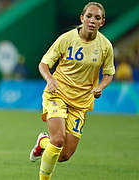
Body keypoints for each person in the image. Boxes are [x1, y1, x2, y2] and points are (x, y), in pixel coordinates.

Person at [29, 2, 115, 180]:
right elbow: (44, 64)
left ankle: (42, 143)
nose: (92, 20)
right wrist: (50, 79)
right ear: (82, 18)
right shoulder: (67, 39)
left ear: (102, 22)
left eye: (97, 18)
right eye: (89, 16)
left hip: (81, 103)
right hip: (57, 93)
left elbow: (108, 74)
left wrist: (100, 87)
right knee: (58, 140)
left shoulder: (105, 46)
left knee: (64, 155)